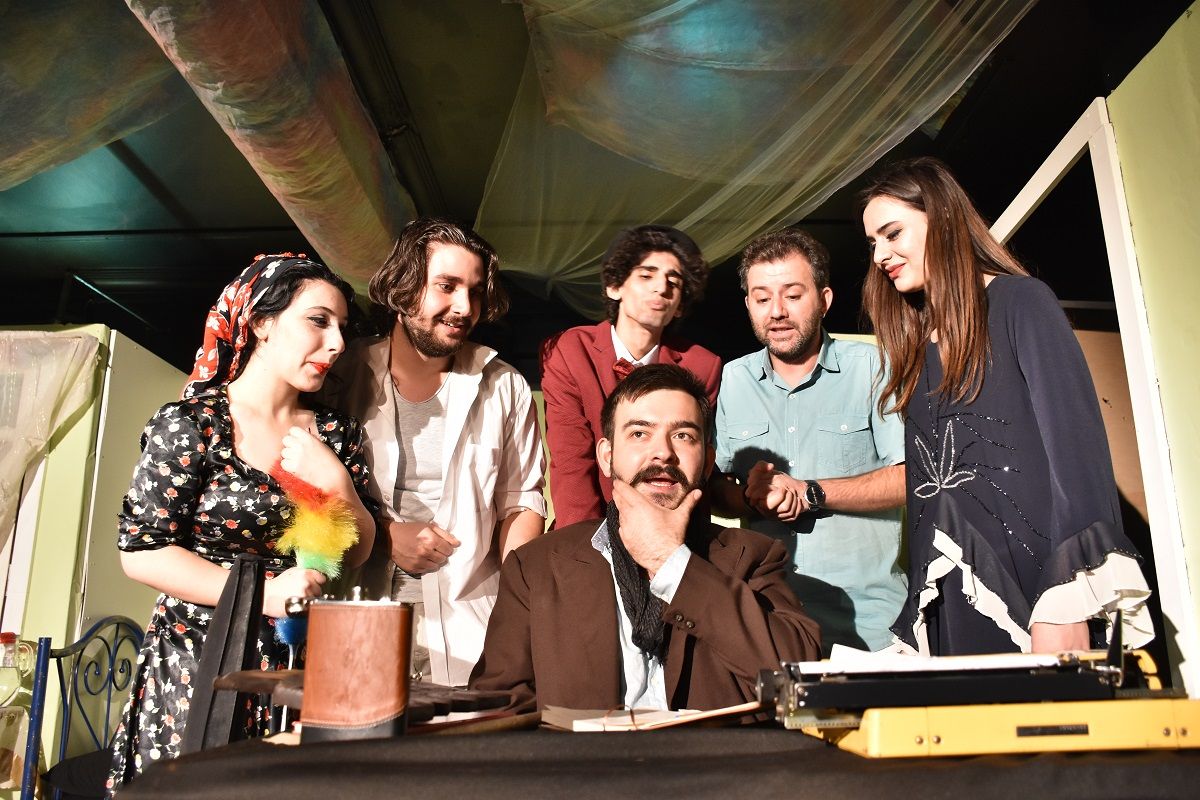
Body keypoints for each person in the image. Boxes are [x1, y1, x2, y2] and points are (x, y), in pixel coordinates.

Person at [859, 156, 1153, 655]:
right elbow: (930, 497)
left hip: (1037, 595)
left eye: (893, 233)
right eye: (872, 244)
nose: (881, 255)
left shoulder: (1022, 303)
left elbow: (1077, 456)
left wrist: (1069, 599)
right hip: (949, 602)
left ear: (942, 219)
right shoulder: (915, 351)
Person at [108, 255, 376, 789]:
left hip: (299, 666)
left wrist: (337, 483)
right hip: (199, 664)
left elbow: (357, 553)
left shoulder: (333, 433)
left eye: (342, 328)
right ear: (261, 323)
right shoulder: (193, 424)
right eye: (319, 321)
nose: (337, 343)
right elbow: (141, 552)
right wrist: (264, 594)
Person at [471, 364, 820, 712]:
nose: (663, 452)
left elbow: (799, 679)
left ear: (708, 461)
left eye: (683, 436)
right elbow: (499, 706)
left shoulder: (752, 556)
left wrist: (671, 561)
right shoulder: (535, 567)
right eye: (640, 433)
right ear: (607, 457)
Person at [318, 218, 546, 686]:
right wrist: (385, 535)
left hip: (471, 627)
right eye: (446, 286)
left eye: (475, 292)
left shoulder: (505, 386)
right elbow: (307, 490)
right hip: (355, 614)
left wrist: (519, 611)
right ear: (403, 287)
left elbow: (522, 501)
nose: (464, 307)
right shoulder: (343, 374)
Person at [709, 229, 907, 654]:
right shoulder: (733, 379)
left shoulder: (874, 366)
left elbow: (910, 479)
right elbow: (715, 488)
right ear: (748, 305)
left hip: (870, 624)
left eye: (793, 295)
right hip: (768, 623)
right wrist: (751, 499)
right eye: (762, 298)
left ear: (824, 299)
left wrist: (809, 493)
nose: (777, 311)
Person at [540, 225, 721, 528]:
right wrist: (587, 548)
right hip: (587, 529)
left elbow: (693, 469)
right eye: (646, 276)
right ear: (615, 286)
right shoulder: (570, 350)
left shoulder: (703, 365)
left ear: (679, 306)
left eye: (673, 281)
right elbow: (571, 463)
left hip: (674, 528)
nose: (661, 288)